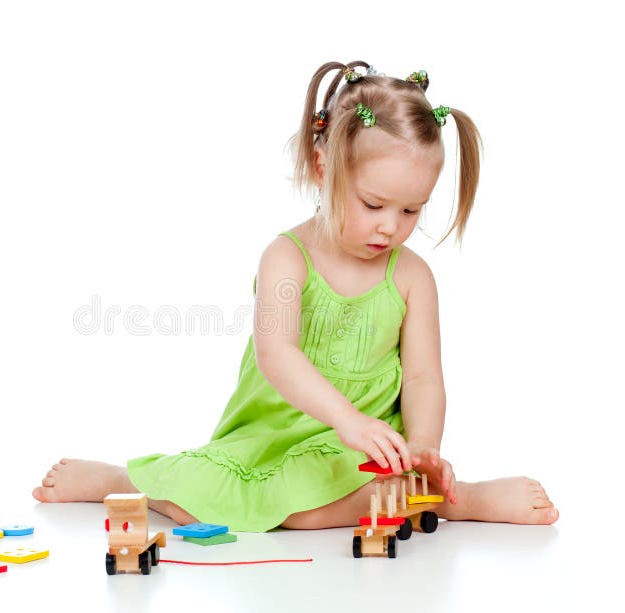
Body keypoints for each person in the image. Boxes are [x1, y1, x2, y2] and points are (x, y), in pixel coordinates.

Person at [32, 60, 558, 531]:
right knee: (214, 498)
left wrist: (424, 445)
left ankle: (453, 498)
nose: (390, 227)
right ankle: (122, 480)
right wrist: (346, 420)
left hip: (359, 450)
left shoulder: (412, 276)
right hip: (272, 436)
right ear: (323, 167)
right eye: (374, 203)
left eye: (410, 211)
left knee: (369, 491)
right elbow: (276, 353)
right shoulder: (287, 258)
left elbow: (423, 376)